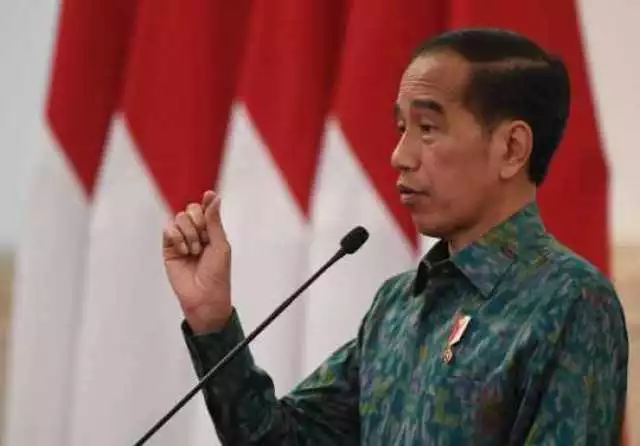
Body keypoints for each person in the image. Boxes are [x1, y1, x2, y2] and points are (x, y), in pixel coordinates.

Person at [162, 28, 628, 445]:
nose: (399, 156)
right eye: (402, 128)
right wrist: (212, 319)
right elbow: (277, 439)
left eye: (428, 129)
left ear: (511, 148)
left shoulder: (570, 301)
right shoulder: (397, 305)